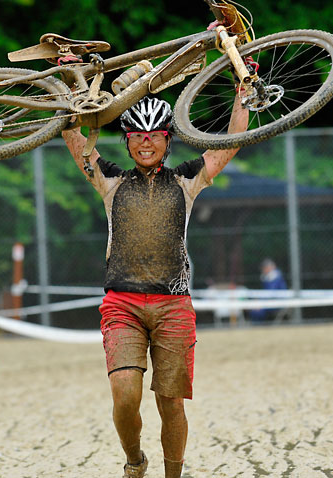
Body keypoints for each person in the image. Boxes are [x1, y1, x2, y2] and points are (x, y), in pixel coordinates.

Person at [61, 95, 248, 478]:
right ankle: (135, 460)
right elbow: (74, 138)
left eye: (155, 135)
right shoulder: (111, 180)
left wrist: (242, 90)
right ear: (126, 141)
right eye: (137, 135)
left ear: (167, 140)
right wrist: (69, 88)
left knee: (171, 402)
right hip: (121, 305)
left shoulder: (185, 180)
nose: (146, 142)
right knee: (125, 394)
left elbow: (230, 142)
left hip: (173, 305)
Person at [250, 258, 287, 323]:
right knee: (254, 308)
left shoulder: (276, 277)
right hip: (269, 301)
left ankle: (259, 328)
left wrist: (260, 303)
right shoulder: (266, 277)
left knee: (257, 311)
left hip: (277, 301)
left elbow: (272, 294)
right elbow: (266, 293)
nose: (264, 270)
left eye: (265, 267)